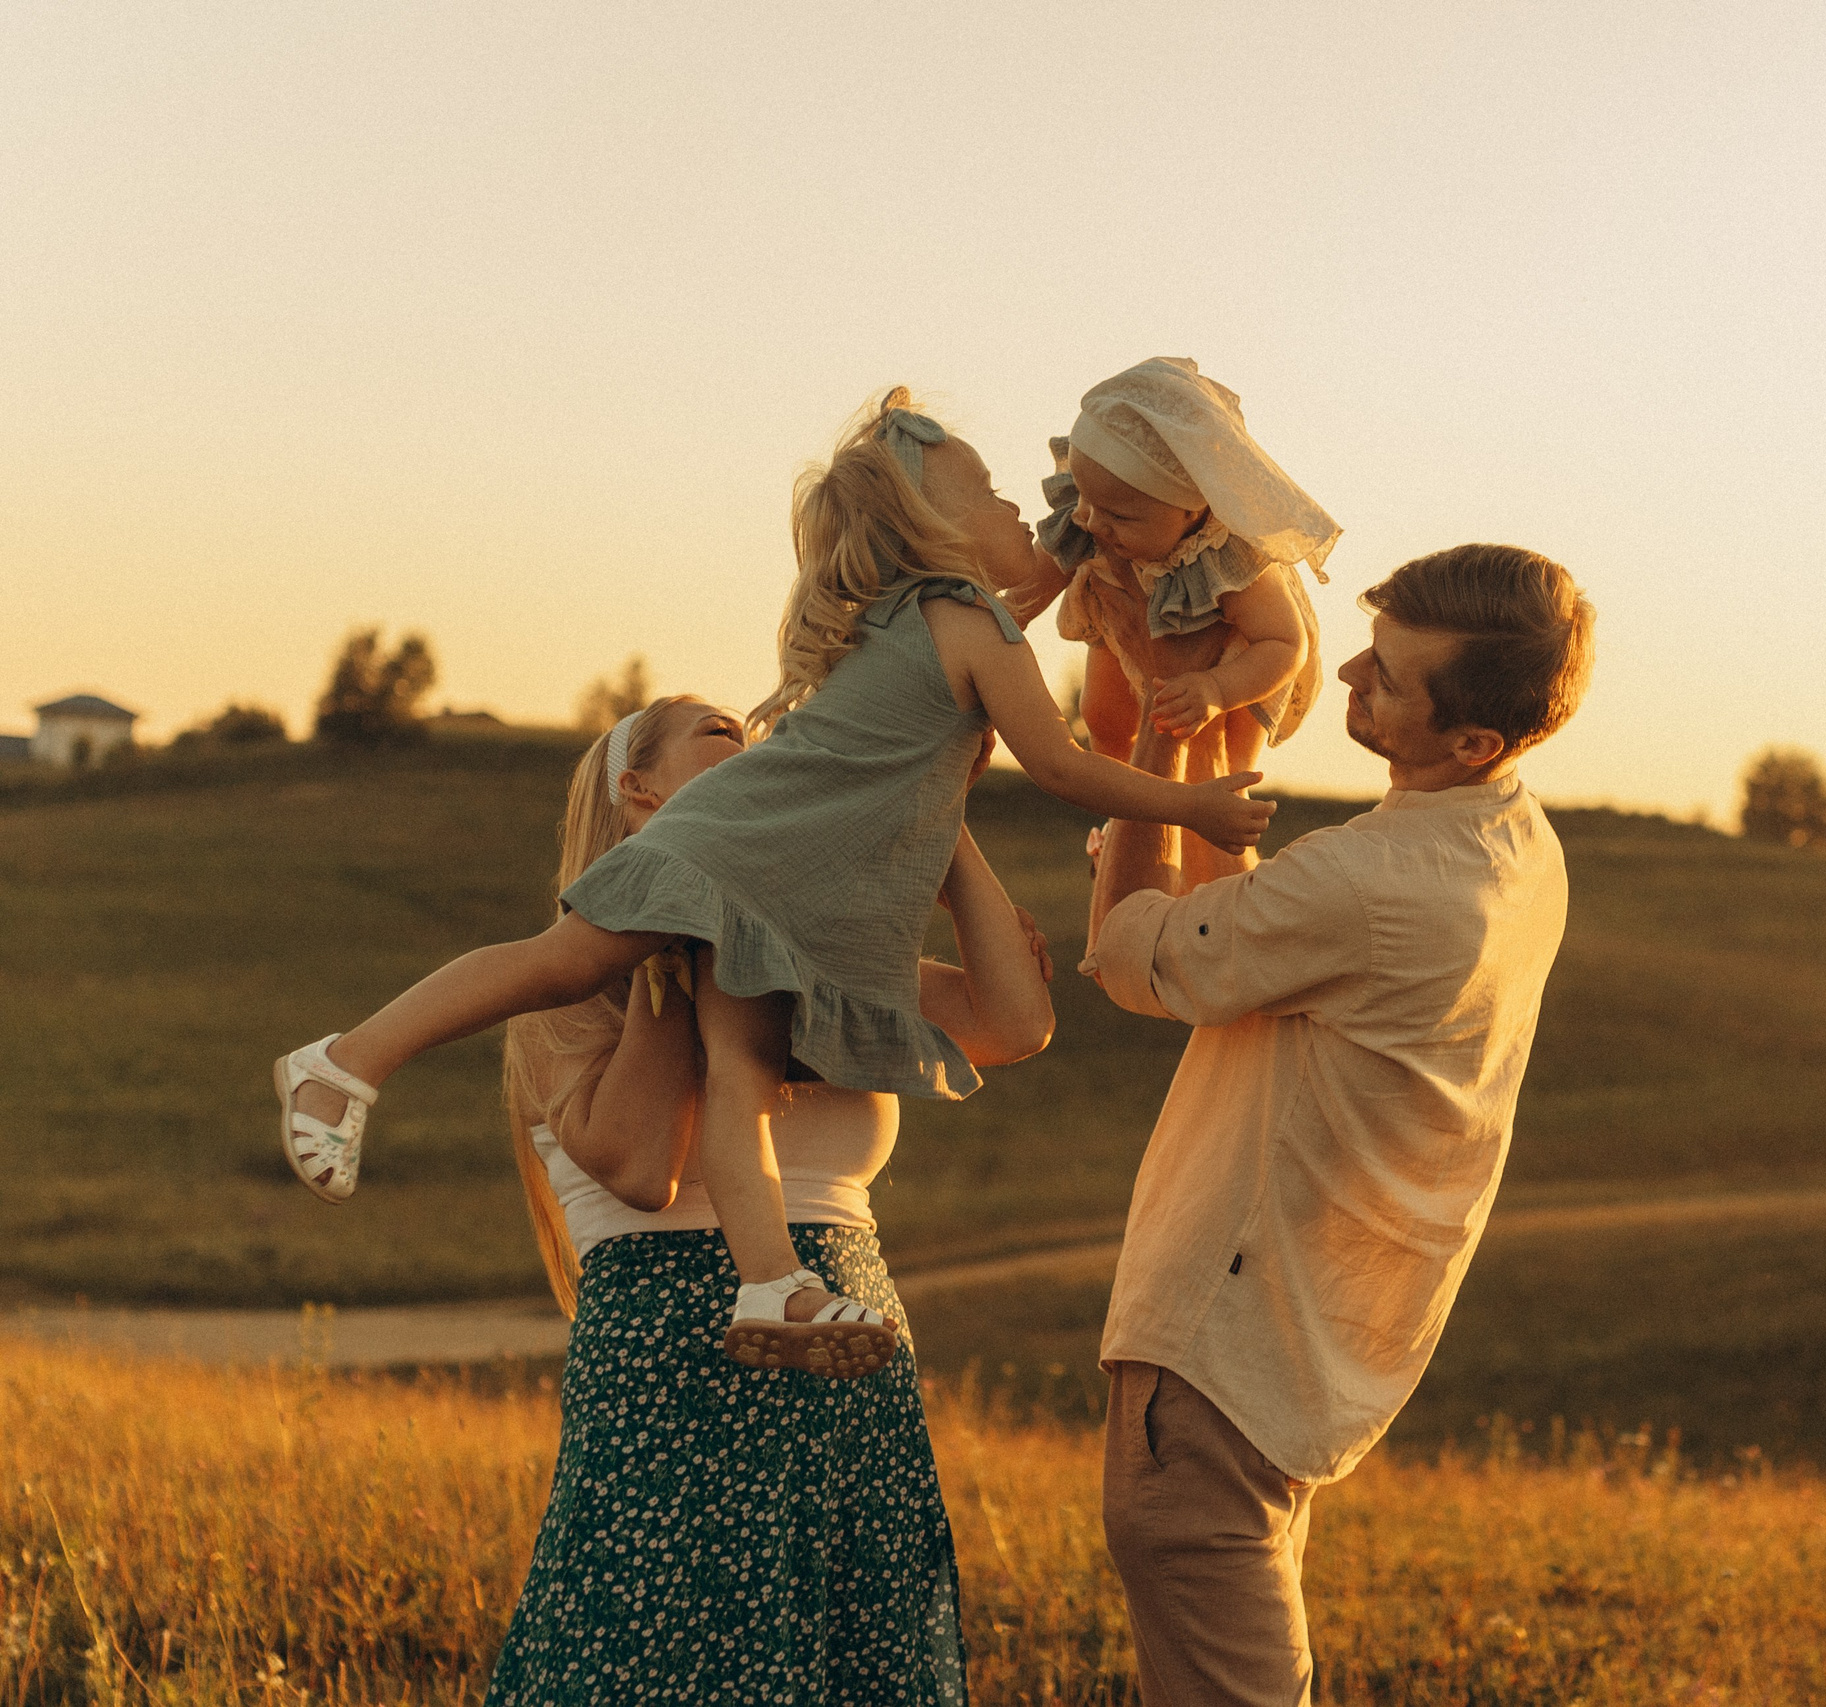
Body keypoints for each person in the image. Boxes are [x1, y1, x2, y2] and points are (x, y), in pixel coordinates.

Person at [271, 389, 1275, 1372]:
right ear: (935, 538)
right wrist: (1194, 808)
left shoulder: (918, 618)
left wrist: (1077, 551)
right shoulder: (968, 622)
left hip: (777, 892)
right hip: (739, 853)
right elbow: (1060, 765)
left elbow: (1020, 590)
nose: (1021, 505)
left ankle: (769, 1281)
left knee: (736, 1069)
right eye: (986, 494)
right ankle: (344, 1062)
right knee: (569, 963)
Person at [1081, 543, 1596, 1705]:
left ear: (1473, 739)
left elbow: (1130, 956)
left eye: (1393, 675)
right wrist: (1212, 737)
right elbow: (1251, 925)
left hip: (1219, 1328)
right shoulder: (1519, 847)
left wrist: (1157, 748)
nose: (1351, 669)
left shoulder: (1367, 882)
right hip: (1316, 1330)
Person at [484, 691, 1049, 1705]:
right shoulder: (561, 989)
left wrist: (937, 810)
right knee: (655, 1662)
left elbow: (1012, 1021)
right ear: (637, 792)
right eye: (721, 740)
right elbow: (638, 1164)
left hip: (849, 1362)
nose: (755, 763)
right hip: (674, 1368)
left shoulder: (813, 959)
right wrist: (676, 930)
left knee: (857, 1661)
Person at [1008, 358, 1339, 887]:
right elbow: (1046, 571)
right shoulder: (1096, 506)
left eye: (1119, 517)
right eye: (1086, 500)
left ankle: (1207, 876)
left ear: (1193, 510)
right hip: (1121, 621)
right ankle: (1126, 821)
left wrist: (1216, 687)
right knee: (1105, 718)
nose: (1092, 522)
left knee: (1213, 761)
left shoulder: (1233, 555)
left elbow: (1284, 641)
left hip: (1238, 660)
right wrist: (1010, 614)